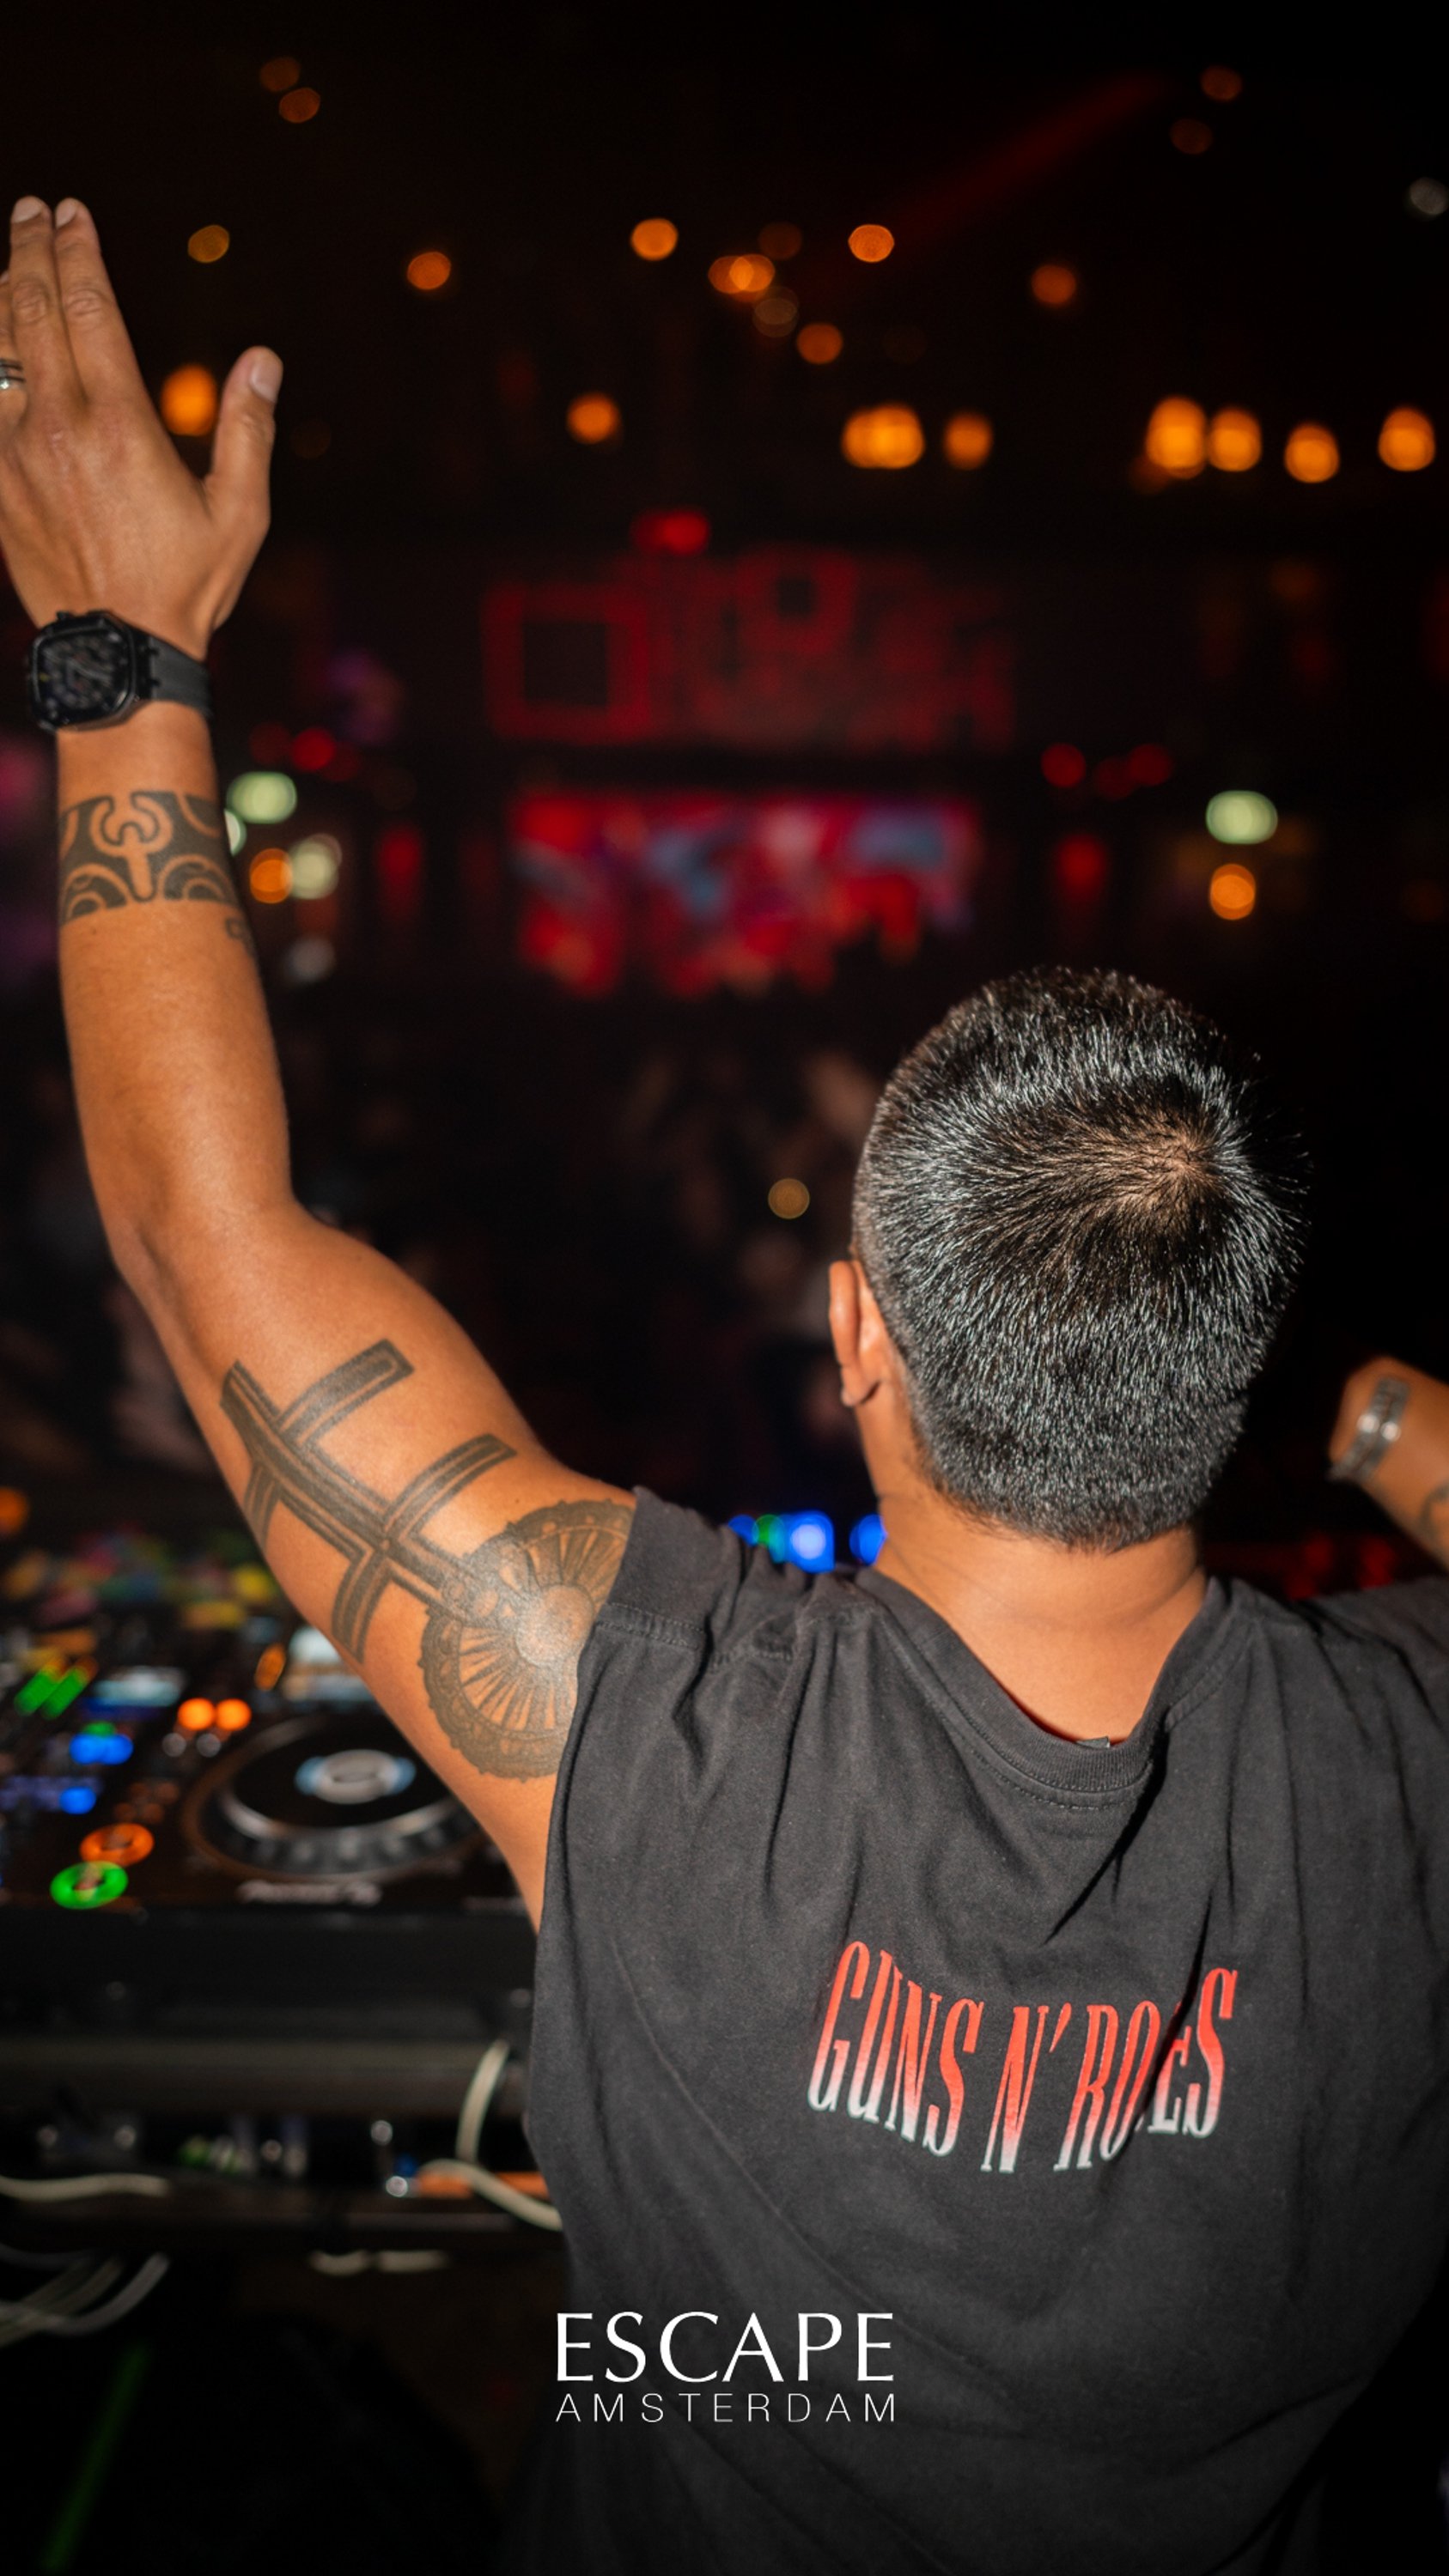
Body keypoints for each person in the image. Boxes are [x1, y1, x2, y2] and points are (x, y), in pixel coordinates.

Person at [4, 196, 1449, 2576]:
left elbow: (198, 1232)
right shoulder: (1406, 1773)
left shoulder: (658, 1728)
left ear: (858, 1334)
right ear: (1229, 1364)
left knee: (638, 2357)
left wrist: (115, 644)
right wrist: (1361, 1421)